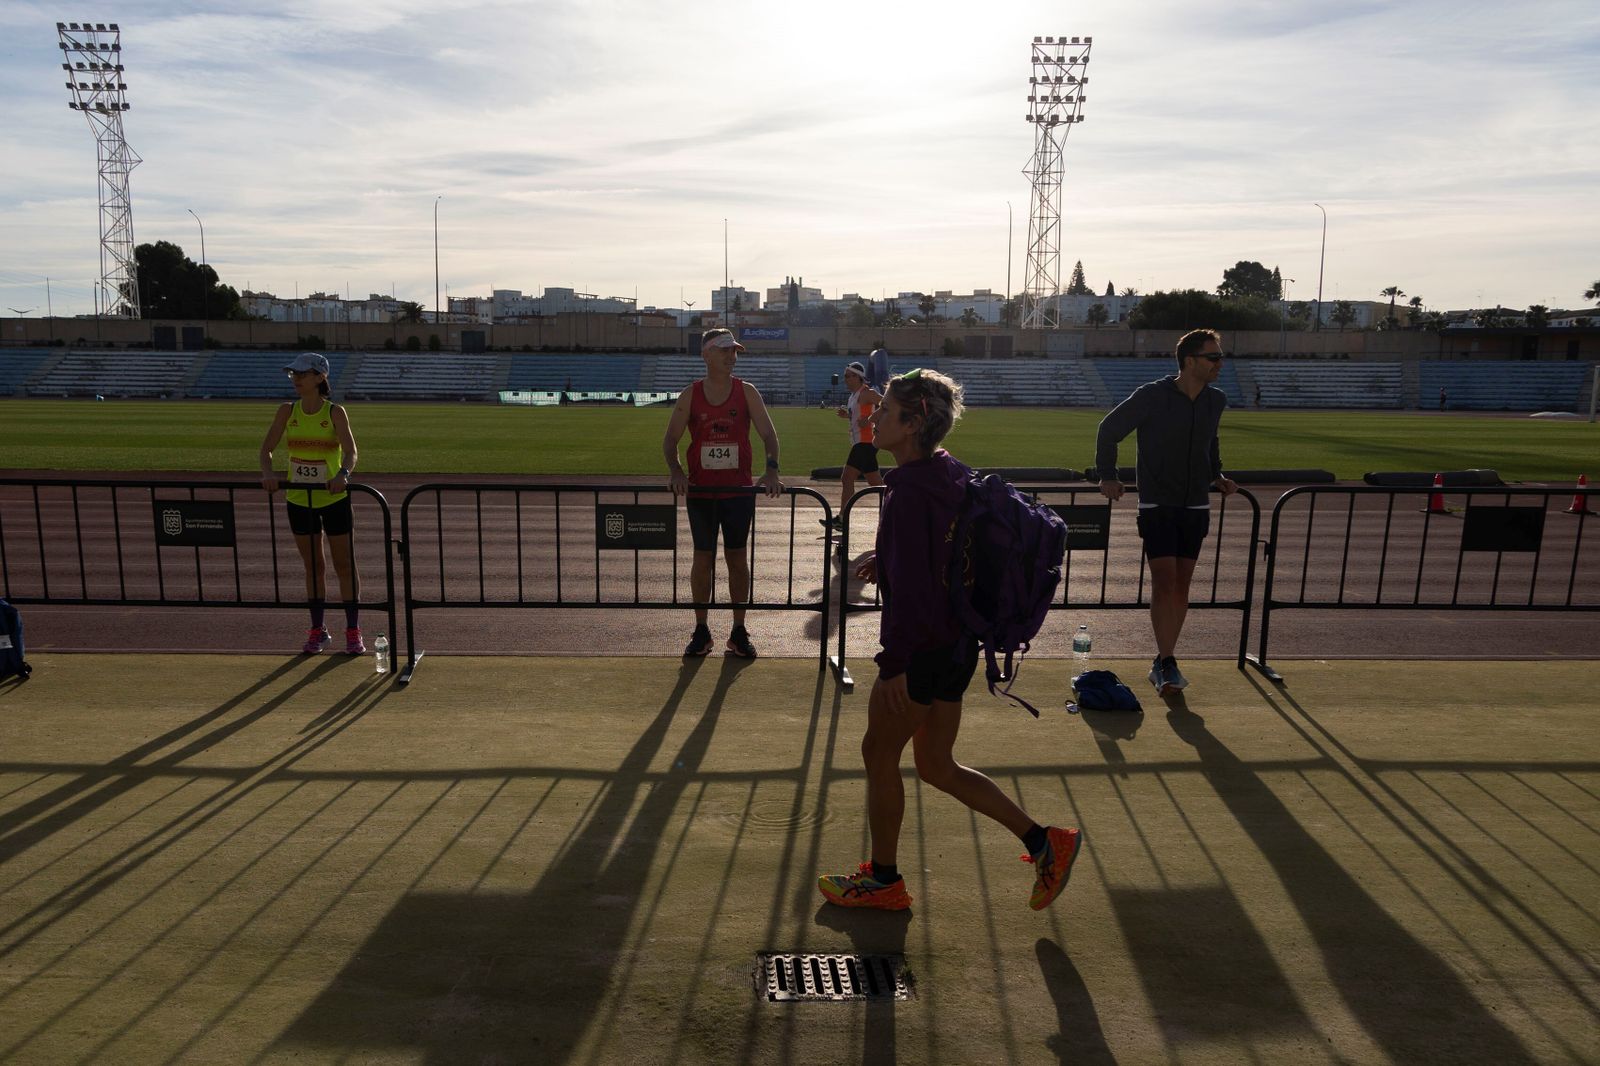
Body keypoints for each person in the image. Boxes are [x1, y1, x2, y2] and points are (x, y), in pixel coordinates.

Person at [818, 368, 1083, 912]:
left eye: (885, 411)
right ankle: (1044, 842)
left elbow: (916, 593)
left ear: (913, 424)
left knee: (878, 751)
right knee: (937, 764)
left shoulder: (908, 493)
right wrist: (886, 560)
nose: (873, 417)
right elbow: (942, 555)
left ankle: (884, 881)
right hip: (960, 642)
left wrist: (893, 666)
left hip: (923, 649)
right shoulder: (946, 470)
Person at [1094, 328, 1237, 695]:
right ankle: (1167, 660)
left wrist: (1216, 474)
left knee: (1183, 585)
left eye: (1220, 357)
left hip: (1196, 504)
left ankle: (1164, 659)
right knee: (1164, 582)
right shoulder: (1152, 396)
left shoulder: (1215, 400)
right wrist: (1108, 477)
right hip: (1158, 503)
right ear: (1190, 361)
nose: (1220, 363)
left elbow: (1210, 440)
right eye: (1213, 357)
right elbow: (1108, 430)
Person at [662, 328, 783, 658]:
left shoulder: (747, 393)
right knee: (702, 560)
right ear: (707, 355)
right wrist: (676, 471)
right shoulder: (691, 394)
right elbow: (670, 440)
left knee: (737, 560)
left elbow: (769, 436)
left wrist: (771, 469)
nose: (732, 357)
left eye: (735, 352)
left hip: (738, 493)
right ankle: (701, 630)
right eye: (725, 351)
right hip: (701, 493)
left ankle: (738, 630)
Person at [259, 352, 364, 654]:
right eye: (293, 374)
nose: (296, 379)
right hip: (299, 499)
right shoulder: (286, 411)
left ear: (320, 377)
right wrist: (268, 473)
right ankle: (318, 630)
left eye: (302, 374)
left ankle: (353, 630)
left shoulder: (334, 413)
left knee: (344, 564)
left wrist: (343, 474)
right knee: (313, 567)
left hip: (333, 499)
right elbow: (266, 449)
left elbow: (351, 452)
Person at [824, 361, 884, 532]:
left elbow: (888, 406)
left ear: (859, 378)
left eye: (850, 376)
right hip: (861, 443)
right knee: (877, 484)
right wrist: (846, 416)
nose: (846, 379)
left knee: (847, 478)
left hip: (865, 443)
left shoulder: (867, 393)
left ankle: (843, 519)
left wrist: (872, 419)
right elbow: (858, 417)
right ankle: (893, 513)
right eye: (845, 376)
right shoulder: (853, 396)